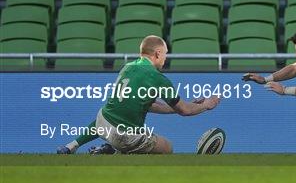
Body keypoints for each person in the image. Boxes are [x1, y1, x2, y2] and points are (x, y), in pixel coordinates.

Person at [57, 35, 220, 154]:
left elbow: (146, 104)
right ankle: (114, 153)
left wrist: (176, 108)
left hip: (102, 123)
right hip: (124, 135)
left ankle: (71, 146)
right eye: (165, 53)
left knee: (107, 114)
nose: (165, 59)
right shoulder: (156, 77)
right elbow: (185, 110)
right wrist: (206, 105)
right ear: (157, 53)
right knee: (166, 147)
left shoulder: (127, 67)